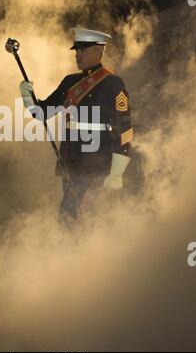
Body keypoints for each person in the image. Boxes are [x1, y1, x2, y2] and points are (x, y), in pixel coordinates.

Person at [19, 28, 133, 221]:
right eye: (76, 51)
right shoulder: (70, 82)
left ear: (99, 50)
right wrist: (27, 96)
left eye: (83, 50)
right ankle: (71, 248)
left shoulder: (112, 83)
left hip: (98, 161)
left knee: (86, 215)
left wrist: (117, 171)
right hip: (71, 160)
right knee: (69, 212)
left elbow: (125, 129)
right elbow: (43, 112)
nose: (77, 55)